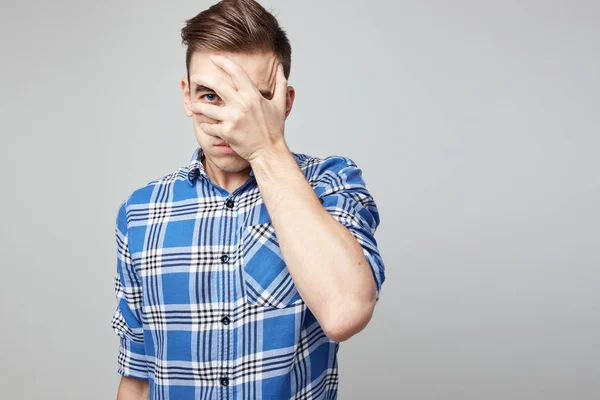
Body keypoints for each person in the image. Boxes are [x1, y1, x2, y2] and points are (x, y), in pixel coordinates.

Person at [111, 0, 385, 398]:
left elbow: (346, 311)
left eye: (252, 101)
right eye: (210, 95)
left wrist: (266, 147)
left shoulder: (330, 182)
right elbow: (136, 377)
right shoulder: (140, 213)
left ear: (284, 102)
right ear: (186, 96)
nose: (231, 121)